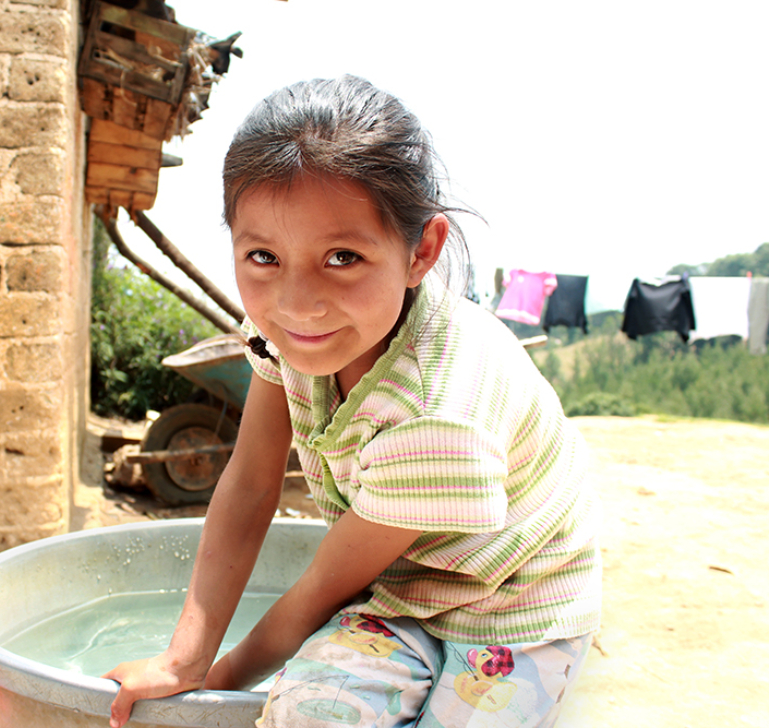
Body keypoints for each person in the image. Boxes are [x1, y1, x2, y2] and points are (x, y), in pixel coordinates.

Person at [104, 75, 601, 728]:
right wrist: (185, 659)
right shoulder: (281, 336)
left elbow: (319, 590)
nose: (296, 303)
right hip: (403, 587)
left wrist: (214, 689)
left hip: (515, 605)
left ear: (421, 250)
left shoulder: (435, 415)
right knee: (309, 710)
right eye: (263, 256)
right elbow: (252, 483)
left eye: (342, 256)